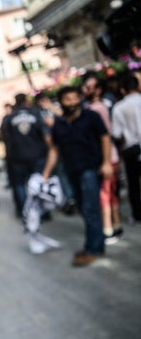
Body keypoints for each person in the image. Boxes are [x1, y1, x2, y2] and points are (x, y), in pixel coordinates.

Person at [45, 86, 113, 266]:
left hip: (90, 169)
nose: (72, 102)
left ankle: (93, 249)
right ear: (61, 101)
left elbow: (105, 138)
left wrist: (106, 162)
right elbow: (54, 149)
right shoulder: (58, 124)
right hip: (71, 171)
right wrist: (45, 174)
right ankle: (96, 244)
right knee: (84, 209)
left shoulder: (91, 117)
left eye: (75, 98)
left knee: (91, 209)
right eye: (68, 99)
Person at [83, 77, 123, 243]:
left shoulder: (96, 109)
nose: (85, 90)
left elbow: (104, 136)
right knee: (111, 193)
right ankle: (116, 225)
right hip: (109, 156)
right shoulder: (100, 107)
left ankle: (108, 229)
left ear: (98, 89)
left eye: (89, 87)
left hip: (105, 158)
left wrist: (105, 160)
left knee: (105, 194)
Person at [2, 93, 55, 218]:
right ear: (26, 101)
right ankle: (43, 212)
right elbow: (45, 134)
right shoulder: (35, 114)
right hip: (37, 155)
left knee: (20, 185)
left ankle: (25, 211)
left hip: (18, 157)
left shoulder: (10, 118)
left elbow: (6, 139)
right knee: (39, 183)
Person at [111, 73, 141, 223]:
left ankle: (137, 214)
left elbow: (117, 133)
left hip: (131, 149)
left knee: (133, 184)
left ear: (123, 90)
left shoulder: (119, 107)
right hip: (133, 149)